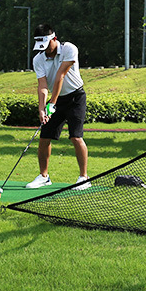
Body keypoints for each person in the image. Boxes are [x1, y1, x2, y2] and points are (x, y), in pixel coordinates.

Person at [25, 24, 90, 189]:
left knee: (76, 137)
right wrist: (42, 108)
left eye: (47, 45)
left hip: (75, 97)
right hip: (56, 99)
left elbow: (61, 75)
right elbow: (42, 85)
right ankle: (44, 176)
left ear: (54, 38)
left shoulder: (69, 49)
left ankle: (84, 177)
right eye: (41, 47)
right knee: (44, 138)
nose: (45, 50)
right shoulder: (38, 59)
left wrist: (52, 104)